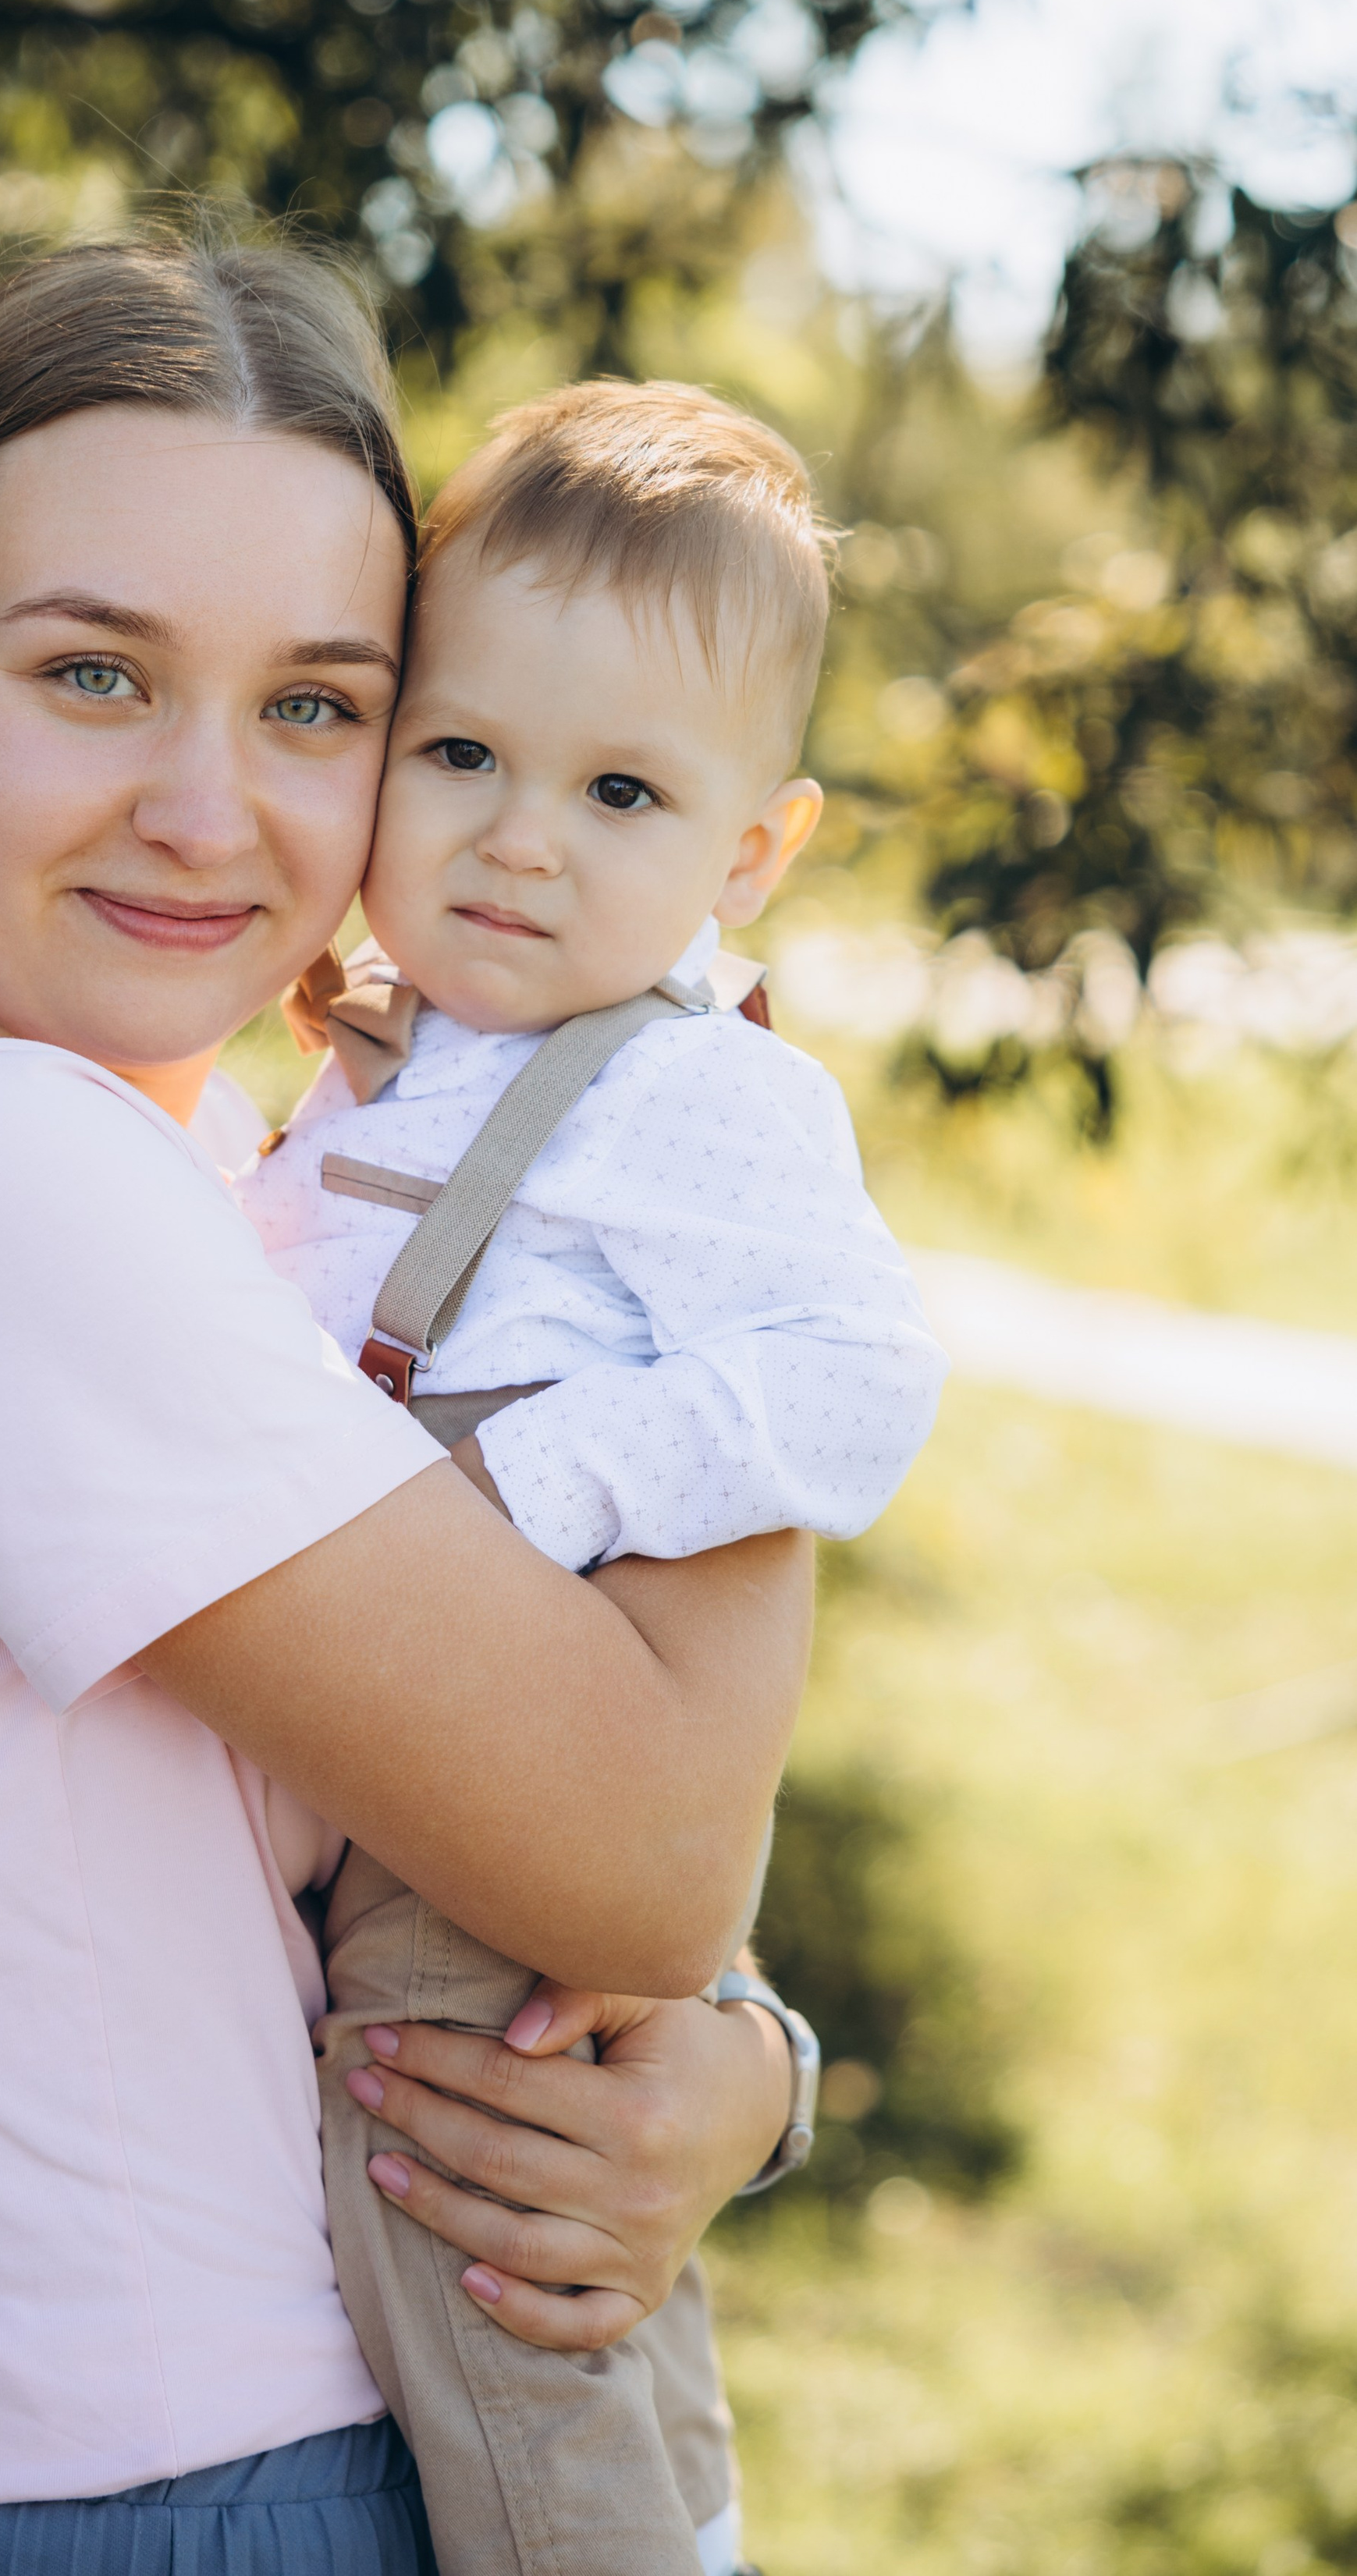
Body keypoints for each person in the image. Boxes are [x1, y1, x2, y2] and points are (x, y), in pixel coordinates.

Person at [0, 239, 813, 2576]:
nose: (208, 810)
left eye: (321, 708)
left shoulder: (127, 1156)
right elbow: (654, 1854)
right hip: (178, 2504)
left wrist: (742, 2072)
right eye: (91, 673)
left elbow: (482, 1836)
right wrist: (731, 1233)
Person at [241, 380, 949, 2574]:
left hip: (503, 1761)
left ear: (748, 853)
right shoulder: (401, 1044)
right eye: (459, 755)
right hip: (362, 1712)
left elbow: (861, 1377)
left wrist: (544, 1491)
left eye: (619, 789)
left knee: (484, 2265)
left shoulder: (692, 1095)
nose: (519, 837)